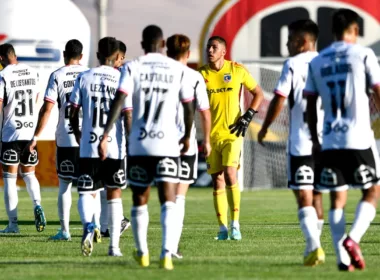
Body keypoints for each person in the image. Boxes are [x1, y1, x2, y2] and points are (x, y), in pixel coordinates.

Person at [98, 25, 194, 270]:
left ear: (142, 44)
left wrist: (106, 133)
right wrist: (186, 136)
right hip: (168, 144)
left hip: (140, 144)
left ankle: (142, 252)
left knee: (140, 199)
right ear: (163, 45)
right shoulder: (176, 68)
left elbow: (120, 100)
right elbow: (187, 104)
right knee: (168, 200)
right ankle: (166, 253)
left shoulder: (132, 66)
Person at [305, 8, 380, 271]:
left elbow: (310, 105)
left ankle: (341, 259)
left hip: (330, 140)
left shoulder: (317, 61)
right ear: (355, 30)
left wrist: (315, 139)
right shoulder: (364, 54)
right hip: (359, 138)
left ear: (332, 32)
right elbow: (378, 90)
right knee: (372, 191)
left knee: (337, 199)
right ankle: (353, 239)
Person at [258, 19, 325, 266]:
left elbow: (279, 99)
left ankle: (315, 246)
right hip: (326, 143)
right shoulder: (327, 62)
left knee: (303, 196)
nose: (286, 44)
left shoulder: (294, 64)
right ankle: (313, 247)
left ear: (302, 41)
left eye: (290, 39)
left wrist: (265, 128)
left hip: (301, 142)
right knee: (317, 196)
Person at [198, 36, 263, 240]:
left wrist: (248, 115)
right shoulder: (200, 74)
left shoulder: (237, 70)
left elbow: (258, 93)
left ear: (223, 52)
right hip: (211, 135)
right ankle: (223, 229)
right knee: (216, 180)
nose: (210, 50)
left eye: (214, 47)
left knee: (229, 174)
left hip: (233, 132)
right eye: (208, 46)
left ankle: (236, 224)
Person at [69, 37, 129, 257]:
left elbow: (72, 111)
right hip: (115, 145)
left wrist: (77, 133)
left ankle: (87, 225)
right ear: (116, 56)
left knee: (87, 191)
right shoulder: (122, 78)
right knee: (114, 193)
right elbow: (128, 113)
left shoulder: (83, 77)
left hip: (89, 144)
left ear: (97, 54)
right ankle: (114, 247)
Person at [25, 39, 88, 241]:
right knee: (92, 187)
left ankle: (65, 231)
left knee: (65, 185)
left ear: (64, 54)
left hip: (66, 138)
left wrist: (35, 136)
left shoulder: (57, 75)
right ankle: (94, 226)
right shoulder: (88, 74)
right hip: (89, 139)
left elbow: (47, 109)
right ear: (82, 56)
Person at [166, 34, 211, 259]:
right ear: (188, 53)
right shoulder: (194, 77)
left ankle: (145, 248)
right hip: (186, 143)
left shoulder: (159, 74)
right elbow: (204, 111)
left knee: (163, 196)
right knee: (180, 196)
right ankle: (171, 247)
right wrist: (208, 141)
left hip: (159, 142)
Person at [0, 43, 46, 233]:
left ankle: (13, 225)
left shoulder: (3, 75)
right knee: (29, 175)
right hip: (30, 133)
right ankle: (37, 205)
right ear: (15, 55)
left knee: (9, 179)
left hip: (11, 132)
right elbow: (36, 99)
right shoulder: (32, 72)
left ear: (1, 59)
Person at [99, 39, 131, 238]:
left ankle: (113, 224)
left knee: (109, 187)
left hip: (113, 139)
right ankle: (106, 226)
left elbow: (127, 111)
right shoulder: (119, 77)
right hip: (113, 140)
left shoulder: (124, 77)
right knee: (105, 187)